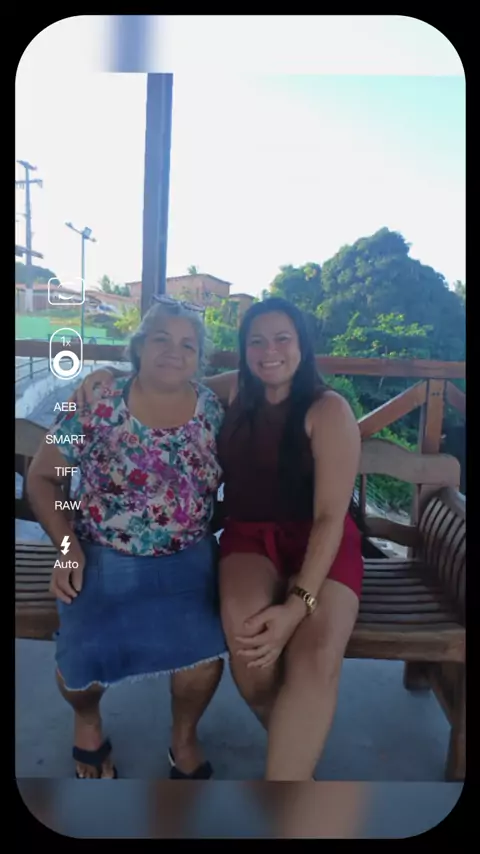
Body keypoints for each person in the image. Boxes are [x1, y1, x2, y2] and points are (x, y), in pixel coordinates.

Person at [75, 296, 364, 781]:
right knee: (250, 651)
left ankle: (289, 789)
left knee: (313, 657)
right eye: (257, 341)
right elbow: (163, 379)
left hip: (320, 538)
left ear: (302, 346)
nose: (269, 352)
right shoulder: (232, 391)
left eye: (282, 339)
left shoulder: (328, 409)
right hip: (249, 534)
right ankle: (294, 747)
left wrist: (297, 607)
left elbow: (331, 517)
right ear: (244, 350)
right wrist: (108, 373)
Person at [26, 300, 228, 779]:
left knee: (202, 664)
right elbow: (42, 477)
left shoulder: (212, 408)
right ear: (138, 347)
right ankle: (87, 722)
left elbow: (267, 378)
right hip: (100, 551)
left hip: (188, 557)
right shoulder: (95, 402)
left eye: (188, 345)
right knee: (80, 667)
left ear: (199, 360)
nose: (174, 352)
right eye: (161, 339)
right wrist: (67, 548)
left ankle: (183, 737)